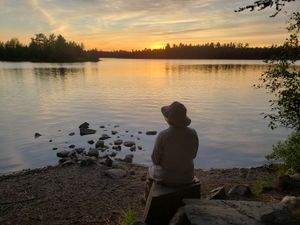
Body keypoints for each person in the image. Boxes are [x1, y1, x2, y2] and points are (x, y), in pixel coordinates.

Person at [145, 101, 199, 200]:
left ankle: (147, 199)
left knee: (150, 171)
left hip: (166, 178)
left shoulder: (163, 135)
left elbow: (155, 159)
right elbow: (193, 155)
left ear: (168, 119)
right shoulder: (193, 133)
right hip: (187, 176)